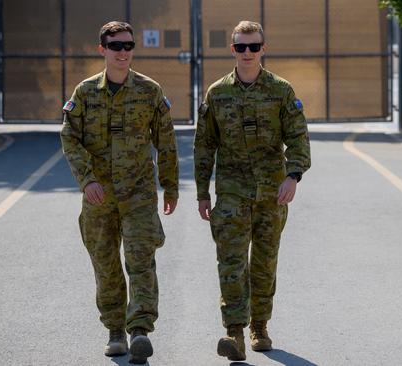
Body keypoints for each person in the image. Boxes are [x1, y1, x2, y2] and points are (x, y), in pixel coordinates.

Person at [60, 21, 178, 365]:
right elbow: (69, 137)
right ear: (102, 50)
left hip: (139, 193)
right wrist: (87, 180)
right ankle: (115, 330)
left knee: (141, 259)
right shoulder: (85, 92)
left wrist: (170, 186)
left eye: (128, 46)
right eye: (116, 46)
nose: (123, 52)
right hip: (99, 196)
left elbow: (166, 142)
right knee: (106, 264)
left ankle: (139, 328)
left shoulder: (149, 91)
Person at [194, 20, 311, 361]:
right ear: (232, 49)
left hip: (271, 193)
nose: (248, 53)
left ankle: (259, 326)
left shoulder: (281, 90)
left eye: (254, 47)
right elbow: (205, 146)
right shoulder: (217, 93)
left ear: (263, 49)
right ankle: (234, 333)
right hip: (230, 192)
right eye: (241, 47)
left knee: (263, 264)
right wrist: (203, 193)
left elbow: (298, 138)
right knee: (230, 262)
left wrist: (293, 176)